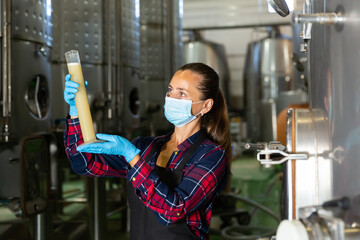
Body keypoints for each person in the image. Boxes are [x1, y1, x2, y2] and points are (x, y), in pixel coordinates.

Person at [63, 62, 231, 240]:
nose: (171, 98)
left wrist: (133, 157)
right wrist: (76, 112)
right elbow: (84, 163)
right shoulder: (146, 147)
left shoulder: (212, 155)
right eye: (170, 90)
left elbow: (173, 210)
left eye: (182, 93)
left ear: (206, 106)